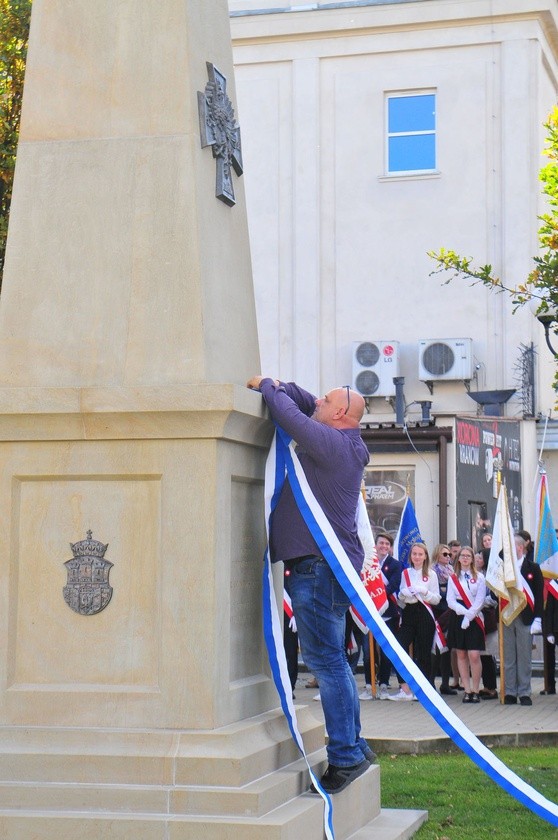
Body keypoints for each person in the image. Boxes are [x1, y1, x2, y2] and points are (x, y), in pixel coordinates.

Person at [246, 377, 373, 793]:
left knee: (328, 664)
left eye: (327, 400)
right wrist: (283, 385)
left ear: (338, 414)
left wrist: (267, 385)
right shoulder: (345, 441)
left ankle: (346, 756)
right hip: (325, 568)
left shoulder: (330, 444)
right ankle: (354, 744)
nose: (317, 400)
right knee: (336, 661)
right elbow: (300, 400)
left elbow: (287, 413)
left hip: (317, 569)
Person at [388, 541, 440, 700]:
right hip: (409, 613)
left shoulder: (431, 574)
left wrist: (424, 592)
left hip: (424, 613)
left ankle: (426, 689)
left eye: (420, 554)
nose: (417, 557)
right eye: (414, 554)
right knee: (399, 647)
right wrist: (403, 594)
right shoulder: (406, 573)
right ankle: (405, 687)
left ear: (425, 557)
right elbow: (401, 600)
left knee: (423, 653)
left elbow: (436, 599)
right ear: (411, 556)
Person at [502, 533, 544, 706]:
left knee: (525, 656)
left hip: (526, 617)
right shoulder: (504, 568)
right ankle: (510, 691)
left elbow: (539, 596)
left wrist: (538, 619)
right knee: (509, 656)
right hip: (507, 615)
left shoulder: (533, 568)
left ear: (520, 547)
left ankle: (524, 691)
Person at [360, 531, 401, 700]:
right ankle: (370, 685)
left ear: (390, 547)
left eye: (387, 544)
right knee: (368, 651)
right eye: (381, 543)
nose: (383, 546)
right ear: (375, 546)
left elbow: (393, 585)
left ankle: (383, 684)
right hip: (369, 613)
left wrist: (378, 596)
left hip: (388, 612)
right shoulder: (368, 563)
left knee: (385, 651)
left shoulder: (395, 565)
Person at [446, 546, 486, 703]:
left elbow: (480, 600)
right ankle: (467, 690)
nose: (465, 558)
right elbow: (450, 600)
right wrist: (462, 612)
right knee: (461, 654)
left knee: (474, 655)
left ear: (472, 559)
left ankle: (476, 689)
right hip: (458, 615)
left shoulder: (480, 577)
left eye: (468, 556)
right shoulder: (453, 578)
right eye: (462, 555)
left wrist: (469, 616)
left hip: (474, 617)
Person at [430, 543, 457, 695]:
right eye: (445, 554)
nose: (448, 557)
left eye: (449, 554)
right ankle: (431, 681)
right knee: (435, 649)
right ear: (437, 555)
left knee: (446, 649)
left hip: (448, 612)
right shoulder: (431, 571)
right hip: (435, 612)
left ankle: (445, 683)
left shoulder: (452, 571)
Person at [541, 578, 558, 695]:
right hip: (555, 628)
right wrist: (549, 632)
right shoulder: (555, 585)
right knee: (550, 656)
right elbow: (549, 610)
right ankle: (551, 685)